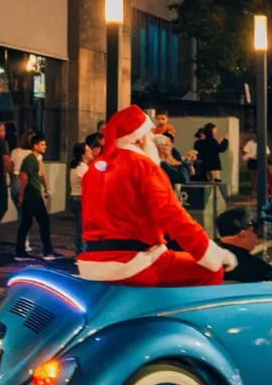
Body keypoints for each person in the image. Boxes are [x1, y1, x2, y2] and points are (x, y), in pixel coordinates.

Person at [75, 106, 235, 286]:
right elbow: (171, 214)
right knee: (211, 270)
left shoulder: (95, 170)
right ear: (140, 138)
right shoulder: (144, 166)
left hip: (91, 261)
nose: (152, 138)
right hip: (134, 261)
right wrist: (209, 252)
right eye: (149, 133)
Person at [11, 133, 56, 259]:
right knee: (43, 221)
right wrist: (21, 196)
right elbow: (23, 177)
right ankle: (47, 251)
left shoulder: (35, 159)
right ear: (35, 146)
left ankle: (21, 251)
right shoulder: (31, 159)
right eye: (42, 145)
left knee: (27, 222)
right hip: (32, 195)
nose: (45, 147)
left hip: (32, 194)